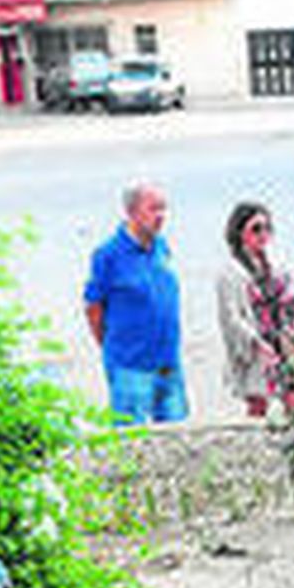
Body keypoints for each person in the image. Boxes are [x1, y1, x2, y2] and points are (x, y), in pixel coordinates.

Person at [84, 180, 188, 425]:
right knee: (132, 442)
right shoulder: (108, 254)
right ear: (131, 212)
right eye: (153, 209)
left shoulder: (160, 245)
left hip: (168, 362)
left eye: (164, 208)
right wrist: (112, 345)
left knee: (178, 437)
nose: (161, 216)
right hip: (131, 367)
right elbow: (93, 307)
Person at [217, 201, 294, 417]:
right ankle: (252, 445)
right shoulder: (230, 272)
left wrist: (292, 325)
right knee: (258, 402)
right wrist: (257, 344)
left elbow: (291, 297)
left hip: (281, 339)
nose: (263, 234)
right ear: (239, 233)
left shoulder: (276, 264)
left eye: (267, 228)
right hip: (256, 343)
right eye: (256, 229)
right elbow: (231, 317)